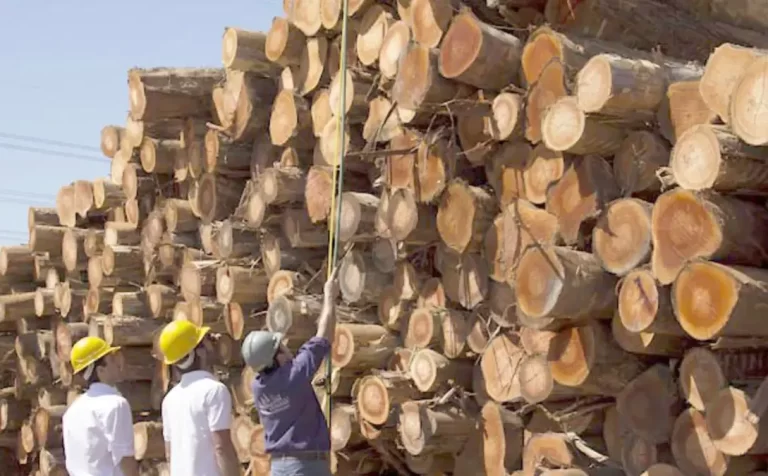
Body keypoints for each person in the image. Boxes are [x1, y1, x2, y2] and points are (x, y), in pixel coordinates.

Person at [241, 268, 339, 476]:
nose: (286, 346)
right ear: (277, 357)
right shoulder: (293, 375)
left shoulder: (258, 387)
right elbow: (324, 336)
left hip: (279, 468)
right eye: (281, 346)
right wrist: (329, 296)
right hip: (306, 468)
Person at [158, 320, 241, 476]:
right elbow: (221, 447)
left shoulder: (169, 400)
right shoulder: (213, 390)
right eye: (206, 341)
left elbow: (169, 455)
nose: (211, 345)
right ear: (199, 351)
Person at [62, 336, 140, 476]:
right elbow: (126, 461)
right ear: (100, 371)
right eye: (111, 360)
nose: (117, 363)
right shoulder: (115, 405)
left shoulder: (71, 411)